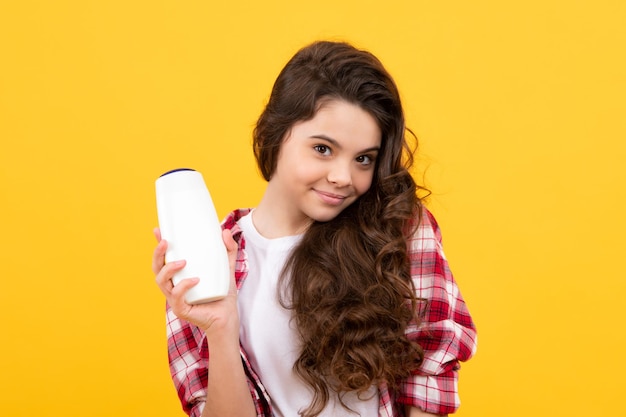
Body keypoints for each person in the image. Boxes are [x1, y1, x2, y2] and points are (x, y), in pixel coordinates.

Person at [153, 40, 477, 417]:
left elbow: (430, 370)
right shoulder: (211, 258)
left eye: (363, 159)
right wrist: (221, 330)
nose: (343, 177)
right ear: (277, 134)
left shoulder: (396, 230)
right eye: (323, 149)